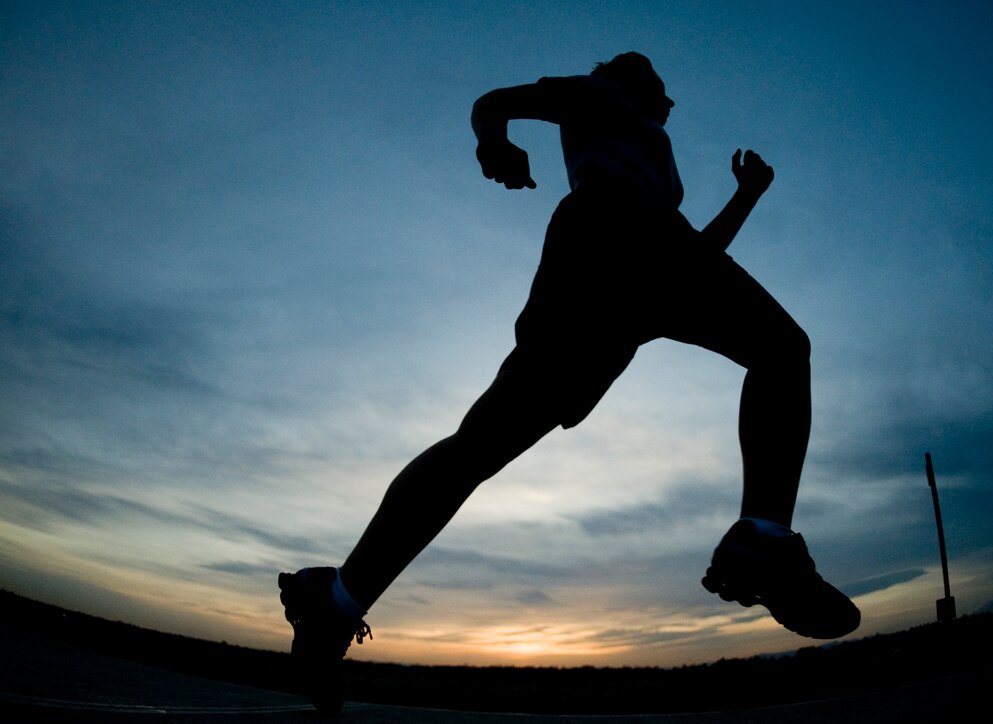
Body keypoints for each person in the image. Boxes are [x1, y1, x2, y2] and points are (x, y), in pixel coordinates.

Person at [279, 52, 860, 713]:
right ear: (634, 81)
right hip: (609, 238)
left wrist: (747, 196)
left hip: (647, 261)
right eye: (663, 93)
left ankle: (335, 603)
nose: (671, 107)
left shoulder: (645, 150)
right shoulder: (602, 94)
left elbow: (694, 256)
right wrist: (494, 141)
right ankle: (762, 540)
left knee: (482, 447)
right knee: (777, 351)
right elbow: (493, 101)